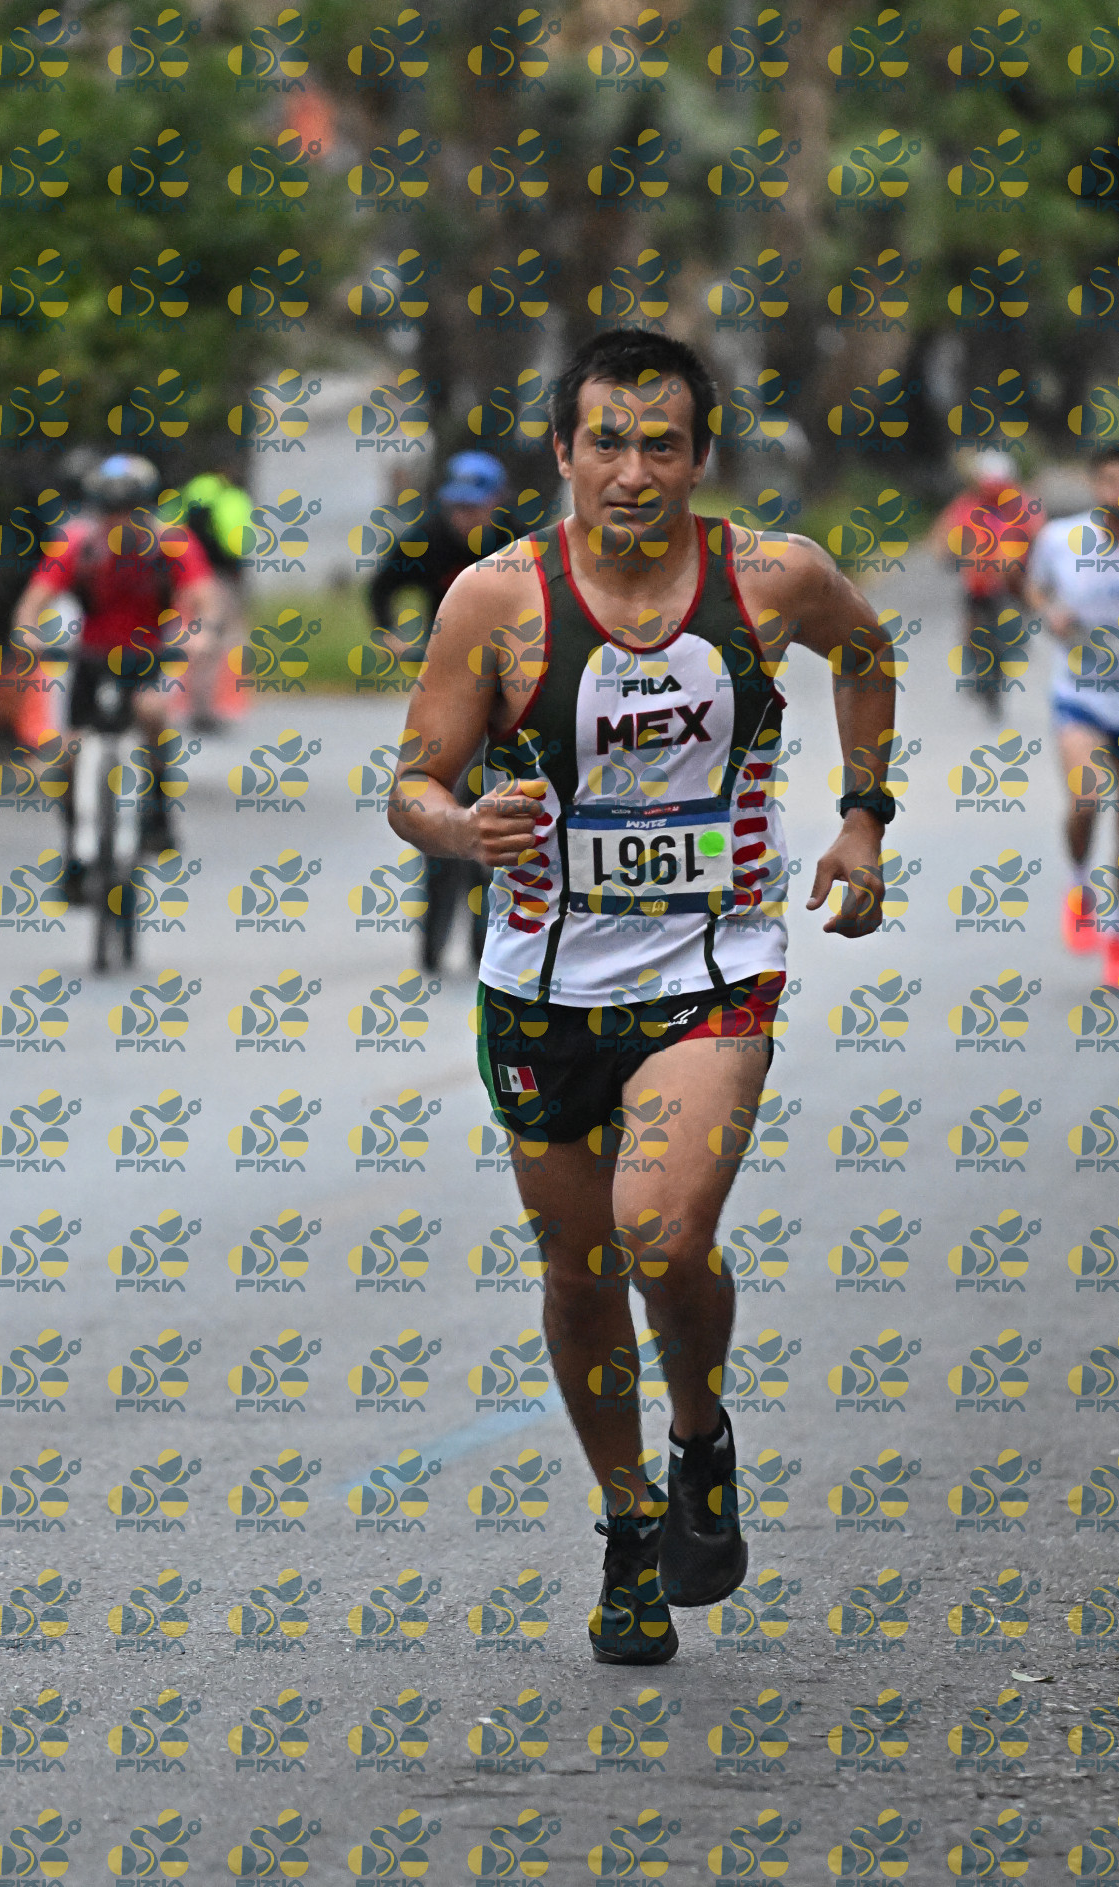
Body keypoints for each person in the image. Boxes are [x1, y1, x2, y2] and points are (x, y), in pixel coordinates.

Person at [387, 328, 894, 1664]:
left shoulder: (772, 576)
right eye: (605, 443)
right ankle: (628, 1522)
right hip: (542, 985)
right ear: (563, 453)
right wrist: (461, 828)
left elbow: (864, 650)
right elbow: (413, 780)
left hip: (711, 969)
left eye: (660, 444)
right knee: (578, 1267)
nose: (631, 472)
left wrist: (862, 818)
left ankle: (699, 1434)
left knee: (660, 1234)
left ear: (699, 456)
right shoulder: (494, 599)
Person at [11, 453, 217, 900]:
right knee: (66, 755)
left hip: (148, 654)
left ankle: (158, 809)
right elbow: (33, 602)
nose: (120, 521)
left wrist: (200, 634)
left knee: (152, 714)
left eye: (130, 510)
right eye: (110, 511)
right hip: (90, 657)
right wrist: (27, 634)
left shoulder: (172, 544)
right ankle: (74, 852)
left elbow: (204, 597)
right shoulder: (78, 545)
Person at [370, 451, 518, 973]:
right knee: (437, 786)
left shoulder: (518, 544)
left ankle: (492, 925)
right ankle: (434, 925)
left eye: (475, 508)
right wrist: (390, 634)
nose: (464, 518)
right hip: (449, 676)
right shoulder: (426, 539)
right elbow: (382, 586)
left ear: (496, 504)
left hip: (509, 678)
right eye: (457, 507)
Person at [1023, 445, 1119, 982]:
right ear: (1093, 484)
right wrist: (1050, 612)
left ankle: (1116, 942)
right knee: (1086, 801)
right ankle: (1079, 882)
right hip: (1082, 694)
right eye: (1109, 480)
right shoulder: (1061, 538)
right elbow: (1034, 587)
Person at [928, 448, 1042, 713]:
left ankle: (1015, 642)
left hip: (1011, 580)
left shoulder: (1021, 504)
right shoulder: (966, 504)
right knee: (972, 624)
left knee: (1016, 619)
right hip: (977, 581)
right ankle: (975, 665)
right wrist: (947, 554)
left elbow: (1037, 532)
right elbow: (944, 533)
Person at [178, 467, 255, 733]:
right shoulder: (231, 497)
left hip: (191, 577)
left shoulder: (192, 490)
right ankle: (208, 710)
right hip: (219, 577)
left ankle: (197, 706)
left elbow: (169, 529)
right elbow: (238, 542)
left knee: (197, 639)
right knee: (216, 640)